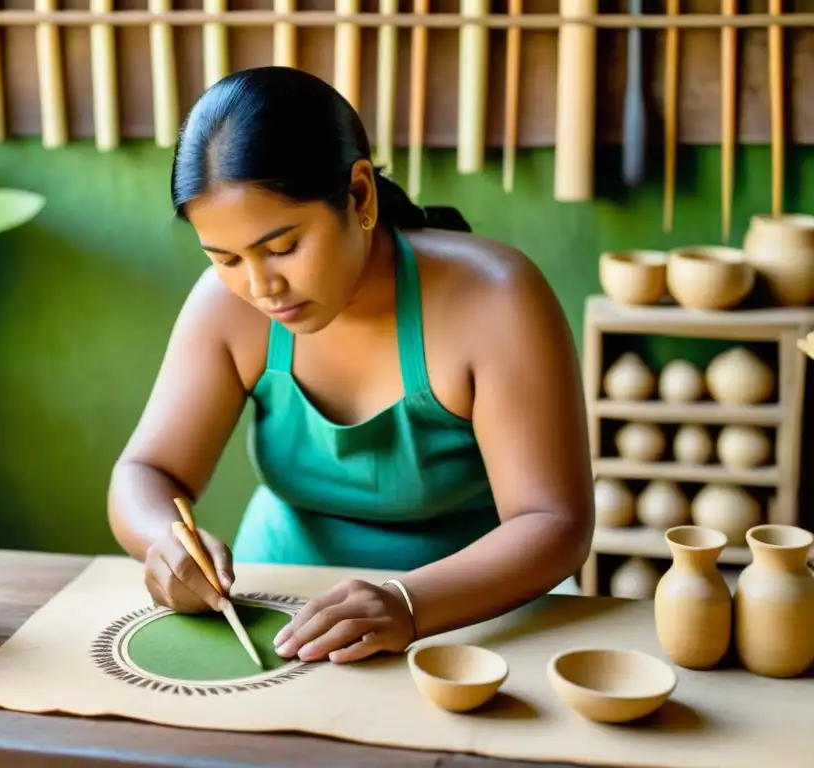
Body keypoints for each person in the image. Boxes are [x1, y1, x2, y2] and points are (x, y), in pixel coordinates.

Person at [107, 66, 595, 667]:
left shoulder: (494, 297)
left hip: (478, 620)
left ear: (358, 194)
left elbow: (554, 523)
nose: (261, 287)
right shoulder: (225, 305)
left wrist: (408, 603)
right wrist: (166, 542)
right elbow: (146, 470)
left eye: (282, 247)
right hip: (281, 611)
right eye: (226, 258)